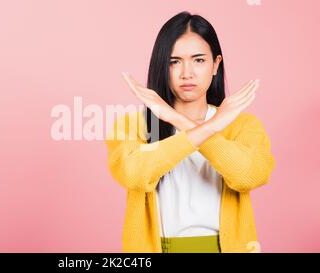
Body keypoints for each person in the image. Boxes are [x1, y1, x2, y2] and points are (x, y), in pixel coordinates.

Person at [105, 11, 275, 253]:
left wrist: (181, 121)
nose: (187, 73)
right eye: (174, 61)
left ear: (216, 64)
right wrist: (198, 124)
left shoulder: (242, 125)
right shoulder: (134, 125)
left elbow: (249, 176)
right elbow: (133, 175)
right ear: (162, 67)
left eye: (198, 60)